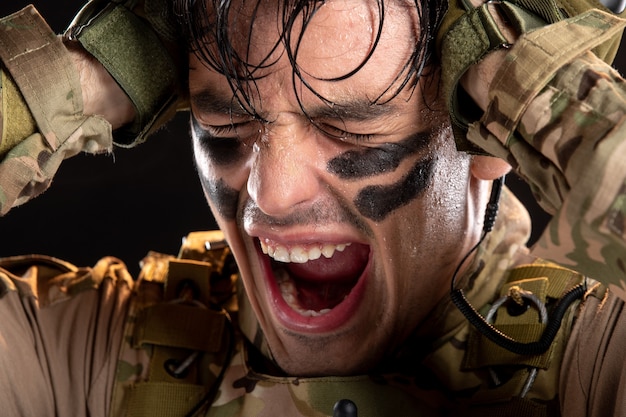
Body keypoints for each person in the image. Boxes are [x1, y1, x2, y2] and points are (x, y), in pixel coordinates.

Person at [1, 0, 626, 416]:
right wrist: (85, 73)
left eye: (352, 129)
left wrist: (522, 69)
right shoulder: (88, 358)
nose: (270, 195)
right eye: (227, 122)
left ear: (488, 138)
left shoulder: (595, 367)